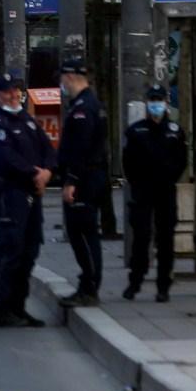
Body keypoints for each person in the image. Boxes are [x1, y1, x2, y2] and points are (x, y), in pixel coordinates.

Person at [0, 73, 56, 328]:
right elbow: (6, 159)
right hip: (10, 193)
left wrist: (47, 171)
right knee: (11, 250)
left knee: (30, 250)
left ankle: (18, 307)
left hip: (31, 194)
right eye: (7, 92)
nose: (13, 95)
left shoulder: (26, 120)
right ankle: (2, 308)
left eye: (16, 90)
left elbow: (47, 148)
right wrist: (34, 173)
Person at [122, 84, 188, 302]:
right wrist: (138, 183)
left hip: (165, 191)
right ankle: (135, 281)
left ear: (165, 104)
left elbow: (181, 161)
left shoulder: (175, 132)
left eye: (159, 100)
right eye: (153, 100)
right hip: (143, 191)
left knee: (166, 239)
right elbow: (128, 163)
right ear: (147, 103)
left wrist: (169, 178)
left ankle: (163, 286)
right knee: (141, 237)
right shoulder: (136, 131)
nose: (156, 104)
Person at [56, 59, 108, 307]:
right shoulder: (91, 104)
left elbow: (81, 148)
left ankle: (89, 285)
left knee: (83, 234)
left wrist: (71, 181)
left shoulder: (82, 109)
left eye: (63, 78)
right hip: (91, 177)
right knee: (85, 233)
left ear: (70, 78)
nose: (62, 83)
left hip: (84, 180)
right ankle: (88, 283)